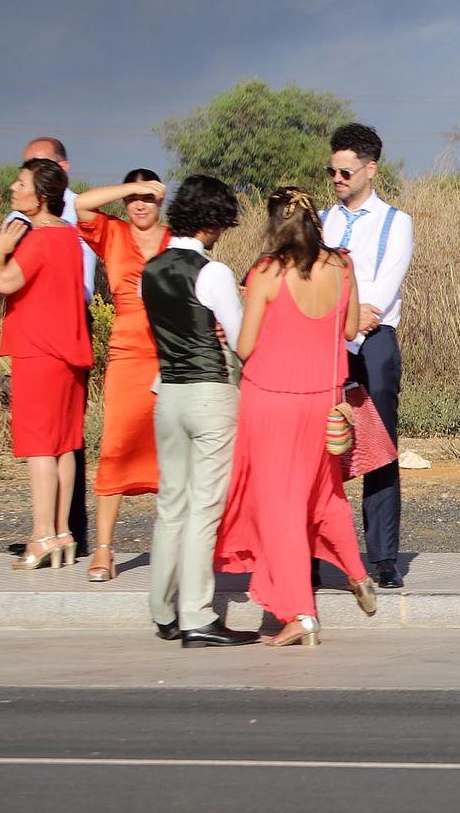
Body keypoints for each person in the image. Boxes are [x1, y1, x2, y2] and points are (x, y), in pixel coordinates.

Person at [215, 187, 378, 647]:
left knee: (279, 507)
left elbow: (245, 348)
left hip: (271, 399)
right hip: (324, 401)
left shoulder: (267, 272)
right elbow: (348, 330)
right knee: (324, 494)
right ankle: (357, 572)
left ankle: (300, 612)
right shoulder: (342, 265)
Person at [142, 175, 258, 648]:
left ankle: (162, 609)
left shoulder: (150, 270)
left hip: (167, 393)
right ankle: (197, 616)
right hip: (210, 393)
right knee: (204, 507)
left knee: (171, 503)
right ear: (213, 223)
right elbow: (240, 337)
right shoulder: (213, 272)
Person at [0, 137, 96, 558]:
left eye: (20, 183)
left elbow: (4, 283)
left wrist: (1, 253)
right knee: (64, 445)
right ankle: (62, 533)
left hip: (38, 350)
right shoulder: (68, 237)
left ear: (40, 196)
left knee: (40, 445)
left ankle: (42, 534)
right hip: (68, 352)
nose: (12, 187)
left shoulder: (38, 238)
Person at [321, 123, 413, 590]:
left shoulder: (396, 222)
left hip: (374, 341)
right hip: (327, 342)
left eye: (346, 171)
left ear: (370, 169)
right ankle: (323, 551)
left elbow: (383, 288)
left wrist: (353, 317)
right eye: (332, 170)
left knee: (378, 449)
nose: (337, 178)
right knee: (325, 448)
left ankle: (382, 557)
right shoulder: (323, 219)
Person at [73, 170, 170, 582]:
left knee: (173, 453)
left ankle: (177, 550)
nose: (141, 204)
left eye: (149, 196)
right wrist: (131, 187)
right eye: (134, 197)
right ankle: (104, 550)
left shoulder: (175, 239)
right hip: (128, 354)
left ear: (162, 199)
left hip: (171, 353)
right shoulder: (111, 233)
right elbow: (81, 205)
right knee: (115, 447)